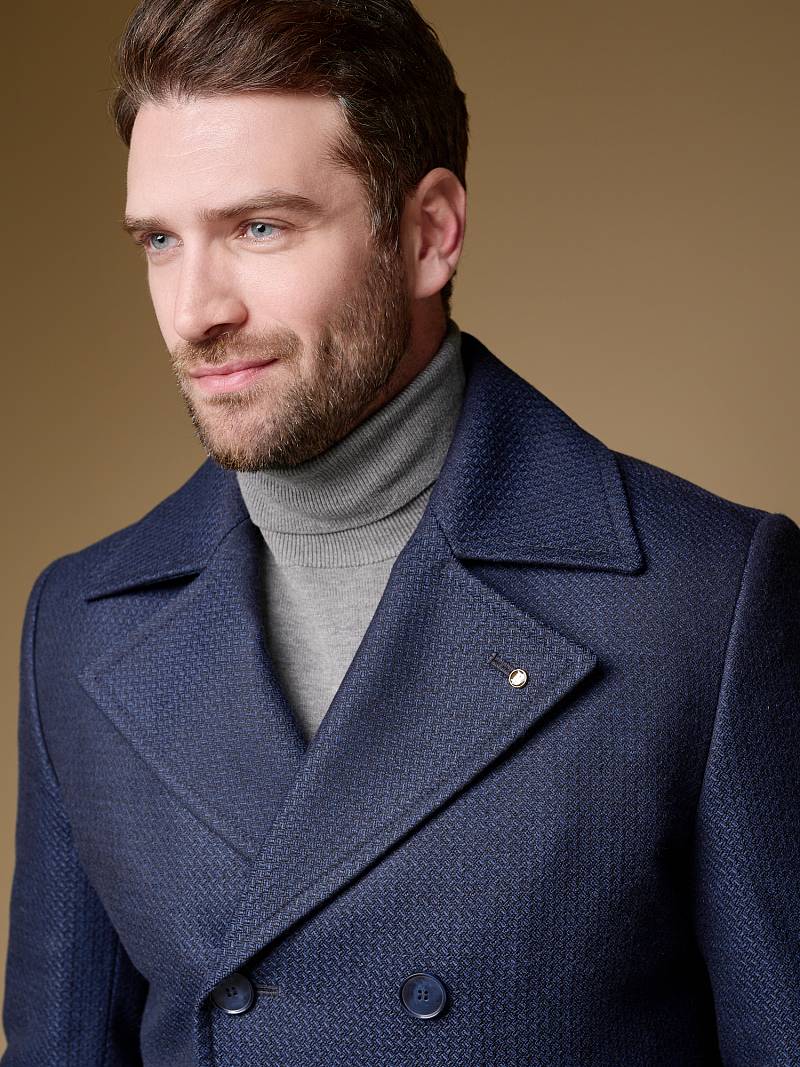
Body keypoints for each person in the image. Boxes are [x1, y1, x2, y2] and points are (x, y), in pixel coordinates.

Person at [2, 0, 798, 1063]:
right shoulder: (81, 621)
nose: (194, 311)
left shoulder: (705, 601)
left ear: (428, 233)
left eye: (259, 228)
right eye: (159, 240)